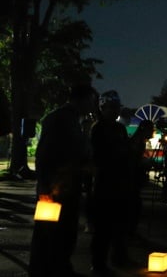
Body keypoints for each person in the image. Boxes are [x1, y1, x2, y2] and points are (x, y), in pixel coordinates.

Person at [29, 84, 98, 277]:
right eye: (92, 102)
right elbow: (44, 153)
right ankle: (43, 270)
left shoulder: (75, 121)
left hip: (68, 186)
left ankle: (59, 266)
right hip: (53, 187)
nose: (93, 106)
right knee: (48, 233)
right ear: (82, 99)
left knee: (65, 230)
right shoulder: (59, 119)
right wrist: (43, 183)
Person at [89, 90, 136, 274]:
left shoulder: (119, 129)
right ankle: (98, 263)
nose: (116, 111)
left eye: (117, 107)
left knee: (120, 223)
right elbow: (99, 156)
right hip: (104, 183)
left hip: (121, 182)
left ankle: (119, 255)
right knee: (103, 228)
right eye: (112, 108)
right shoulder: (98, 128)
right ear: (103, 108)